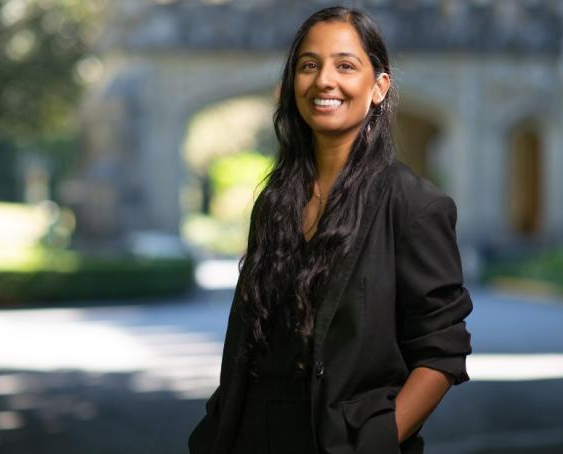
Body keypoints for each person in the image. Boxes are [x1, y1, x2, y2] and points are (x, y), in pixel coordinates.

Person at [189, 6, 473, 454]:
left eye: (345, 65)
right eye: (309, 65)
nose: (324, 80)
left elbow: (441, 352)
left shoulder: (413, 204)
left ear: (379, 87)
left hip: (342, 441)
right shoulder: (274, 201)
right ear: (291, 84)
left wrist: (376, 443)